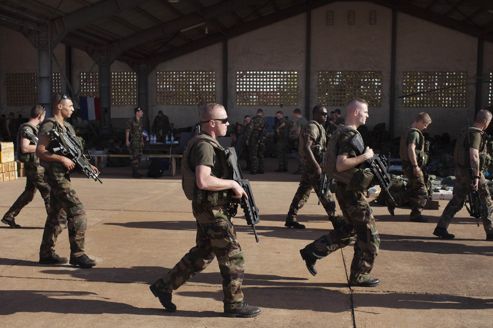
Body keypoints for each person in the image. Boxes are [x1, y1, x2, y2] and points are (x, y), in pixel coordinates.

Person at [149, 103, 261, 317]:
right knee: (232, 255)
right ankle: (234, 305)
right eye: (224, 120)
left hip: (209, 209)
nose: (228, 124)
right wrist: (232, 185)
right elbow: (203, 180)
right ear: (212, 123)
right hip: (212, 210)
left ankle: (164, 286)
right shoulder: (205, 146)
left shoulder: (209, 143)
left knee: (203, 253)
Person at [299, 99, 381, 287]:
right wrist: (365, 156)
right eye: (365, 111)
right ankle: (359, 275)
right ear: (355, 112)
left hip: (346, 189)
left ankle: (313, 251)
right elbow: (341, 164)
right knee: (370, 236)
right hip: (350, 192)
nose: (367, 115)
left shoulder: (343, 132)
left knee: (349, 231)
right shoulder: (349, 135)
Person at [36, 94, 98, 268]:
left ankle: (46, 253)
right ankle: (78, 254)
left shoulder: (68, 127)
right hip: (55, 176)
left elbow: (75, 153)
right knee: (77, 210)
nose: (72, 109)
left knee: (57, 215)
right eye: (69, 106)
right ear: (59, 106)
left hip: (64, 175)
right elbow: (40, 151)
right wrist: (61, 159)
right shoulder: (49, 125)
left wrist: (88, 165)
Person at [433, 109, 493, 241]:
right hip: (471, 172)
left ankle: (441, 228)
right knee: (486, 200)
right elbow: (474, 155)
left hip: (461, 172)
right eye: (489, 121)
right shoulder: (476, 134)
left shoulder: (465, 132)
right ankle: (490, 232)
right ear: (485, 121)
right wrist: (476, 177)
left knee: (457, 201)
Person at [284, 105, 337, 229]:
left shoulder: (320, 127)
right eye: (323, 114)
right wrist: (317, 167)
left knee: (302, 192)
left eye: (326, 114)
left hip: (312, 166)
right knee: (325, 193)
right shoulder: (312, 127)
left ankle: (291, 218)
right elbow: (307, 148)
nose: (326, 116)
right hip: (314, 167)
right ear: (315, 114)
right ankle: (335, 220)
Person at [2, 105, 50, 228]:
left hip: (35, 165)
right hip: (34, 166)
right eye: (44, 116)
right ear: (40, 116)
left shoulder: (34, 128)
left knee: (29, 193)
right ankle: (54, 221)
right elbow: (25, 147)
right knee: (48, 191)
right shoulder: (27, 129)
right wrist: (42, 148)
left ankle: (9, 216)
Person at [399, 112, 432, 222]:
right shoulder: (415, 134)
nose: (425, 128)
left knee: (413, 189)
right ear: (420, 122)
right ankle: (416, 214)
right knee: (422, 191)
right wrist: (415, 166)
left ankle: (394, 200)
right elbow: (411, 149)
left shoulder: (408, 131)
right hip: (411, 166)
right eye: (425, 125)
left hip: (407, 165)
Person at [245, 108, 265, 174]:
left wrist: (247, 139)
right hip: (262, 140)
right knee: (261, 155)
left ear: (257, 113)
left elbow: (250, 129)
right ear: (262, 113)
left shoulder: (253, 119)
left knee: (254, 155)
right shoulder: (264, 120)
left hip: (254, 139)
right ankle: (261, 170)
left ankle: (254, 170)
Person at [126, 107, 144, 178]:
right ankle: (135, 173)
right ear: (137, 113)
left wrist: (142, 140)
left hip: (139, 142)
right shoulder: (131, 121)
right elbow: (127, 130)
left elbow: (141, 132)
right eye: (141, 112)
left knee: (139, 157)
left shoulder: (141, 121)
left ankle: (136, 172)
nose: (142, 113)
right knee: (135, 157)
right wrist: (127, 140)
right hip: (134, 142)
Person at [289, 108, 307, 174]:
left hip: (301, 140)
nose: (293, 116)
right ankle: (304, 169)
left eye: (293, 114)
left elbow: (298, 132)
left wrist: (293, 138)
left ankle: (301, 169)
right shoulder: (305, 120)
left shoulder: (299, 121)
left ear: (296, 113)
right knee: (304, 155)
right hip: (306, 140)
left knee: (300, 155)